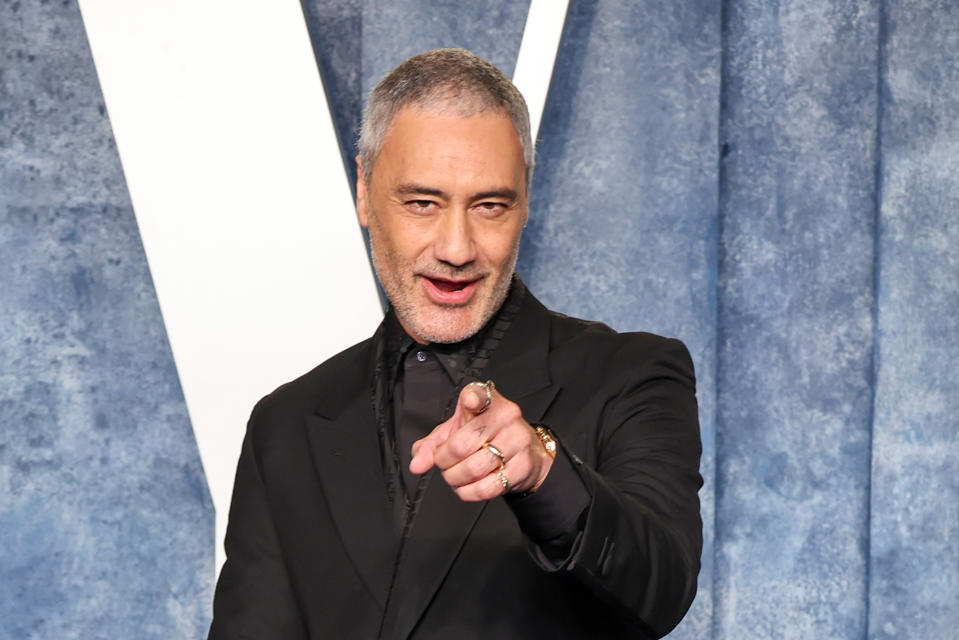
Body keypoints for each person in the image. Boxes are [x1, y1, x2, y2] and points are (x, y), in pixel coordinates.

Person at [208, 48, 702, 640]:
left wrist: (543, 472)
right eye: (423, 203)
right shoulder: (284, 425)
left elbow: (662, 588)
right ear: (365, 192)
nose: (457, 248)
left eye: (490, 206)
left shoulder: (633, 374)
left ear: (526, 202)